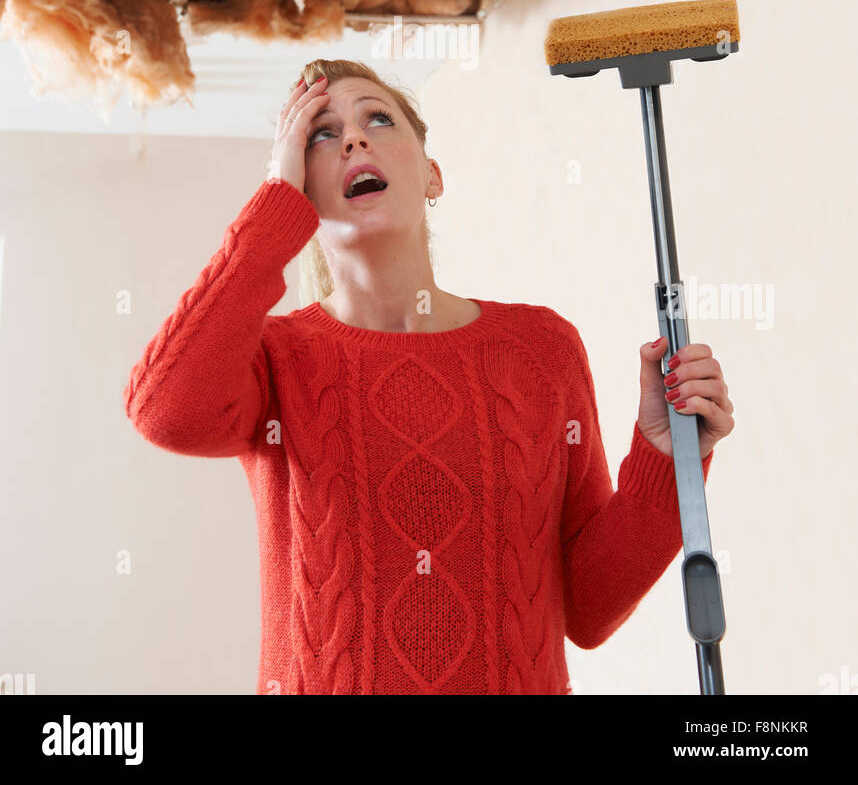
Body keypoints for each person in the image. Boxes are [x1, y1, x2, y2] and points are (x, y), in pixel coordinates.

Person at [123, 57, 734, 695]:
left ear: (432, 176)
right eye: (320, 135)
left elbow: (587, 607)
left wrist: (666, 458)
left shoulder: (540, 347)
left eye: (377, 119)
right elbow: (164, 409)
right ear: (300, 184)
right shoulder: (273, 358)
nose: (353, 138)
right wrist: (274, 207)